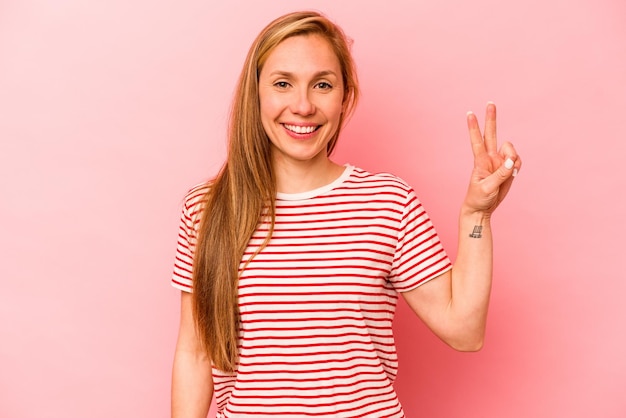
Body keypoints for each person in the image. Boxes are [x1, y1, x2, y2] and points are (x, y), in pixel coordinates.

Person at [170, 10, 521, 418]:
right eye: (283, 83)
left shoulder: (388, 202)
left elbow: (464, 330)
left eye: (322, 85)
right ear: (257, 94)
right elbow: (194, 355)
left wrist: (476, 215)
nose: (302, 106)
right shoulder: (207, 209)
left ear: (344, 97)